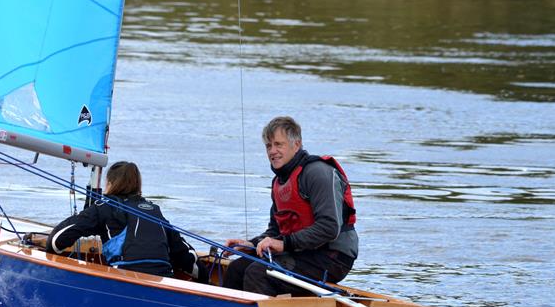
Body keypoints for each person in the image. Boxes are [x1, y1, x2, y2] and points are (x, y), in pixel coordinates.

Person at [222, 116, 358, 296]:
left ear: (297, 145)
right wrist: (252, 244)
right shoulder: (279, 182)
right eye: (268, 146)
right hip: (302, 251)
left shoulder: (317, 173)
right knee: (236, 269)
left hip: (332, 256)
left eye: (279, 144)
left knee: (258, 274)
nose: (273, 151)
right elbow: (276, 230)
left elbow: (329, 227)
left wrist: (284, 244)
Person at [47, 161, 207, 281]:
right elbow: (188, 259)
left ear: (109, 184)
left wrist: (53, 257)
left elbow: (56, 241)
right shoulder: (154, 211)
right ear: (138, 185)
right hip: (163, 281)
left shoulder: (103, 208)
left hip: (125, 282)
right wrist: (206, 281)